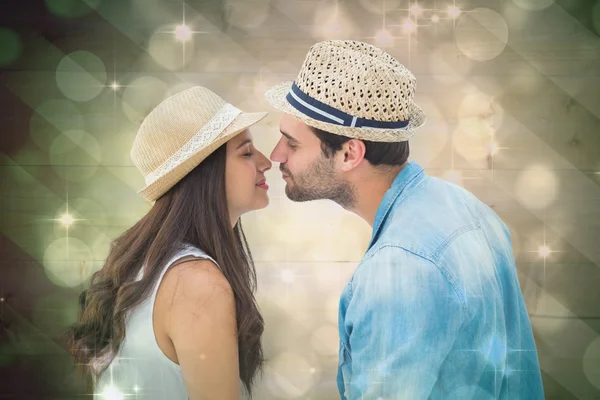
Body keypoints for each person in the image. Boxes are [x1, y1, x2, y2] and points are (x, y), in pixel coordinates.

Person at [265, 40, 545, 399]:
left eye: (292, 143)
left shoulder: (398, 269)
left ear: (350, 153)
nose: (276, 155)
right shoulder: (465, 207)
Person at [66, 86, 272, 400]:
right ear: (203, 172)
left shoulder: (142, 264)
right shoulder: (196, 283)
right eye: (246, 152)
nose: (266, 161)